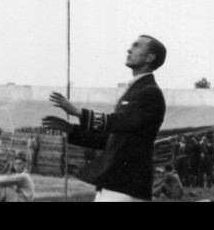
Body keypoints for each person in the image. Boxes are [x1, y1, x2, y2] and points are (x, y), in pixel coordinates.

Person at [42, 34, 167, 202]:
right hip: (115, 185)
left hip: (126, 186)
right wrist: (72, 130)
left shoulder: (150, 92)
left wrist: (78, 112)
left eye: (137, 46)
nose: (129, 49)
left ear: (150, 57)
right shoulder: (138, 89)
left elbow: (120, 122)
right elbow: (110, 140)